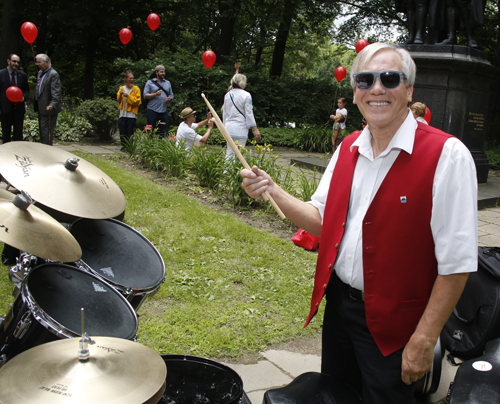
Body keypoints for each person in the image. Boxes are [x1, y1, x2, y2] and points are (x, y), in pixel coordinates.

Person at [240, 42, 477, 403]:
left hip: (399, 324)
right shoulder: (349, 146)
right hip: (340, 307)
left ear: (409, 89)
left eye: (390, 78)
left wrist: (425, 338)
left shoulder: (447, 156)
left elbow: (457, 263)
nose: (377, 88)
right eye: (365, 80)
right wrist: (274, 190)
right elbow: (321, 220)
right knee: (339, 394)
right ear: (355, 94)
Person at [222, 73, 261, 161]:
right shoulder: (246, 95)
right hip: (241, 129)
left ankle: (226, 173)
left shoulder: (227, 95)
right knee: (239, 154)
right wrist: (255, 129)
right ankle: (236, 173)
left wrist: (224, 128)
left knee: (229, 153)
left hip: (228, 128)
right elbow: (249, 113)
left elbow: (225, 113)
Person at [0, 54, 29, 143]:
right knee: (6, 133)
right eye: (14, 61)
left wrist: (23, 97)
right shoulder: (1, 74)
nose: (16, 64)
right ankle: (6, 154)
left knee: (18, 134)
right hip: (5, 109)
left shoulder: (23, 75)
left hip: (18, 110)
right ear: (8, 61)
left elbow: (26, 90)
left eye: (18, 62)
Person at [34, 54, 62, 145]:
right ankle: (43, 149)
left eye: (39, 62)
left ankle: (47, 150)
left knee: (47, 132)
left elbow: (56, 91)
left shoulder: (53, 74)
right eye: (36, 62)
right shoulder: (41, 73)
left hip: (49, 109)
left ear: (47, 62)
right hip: (41, 108)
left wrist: (52, 104)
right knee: (42, 131)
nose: (37, 64)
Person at [144, 65, 174, 139]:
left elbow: (171, 95)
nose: (163, 73)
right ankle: (149, 147)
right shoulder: (150, 82)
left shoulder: (168, 83)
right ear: (156, 72)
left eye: (164, 72)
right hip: (152, 110)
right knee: (150, 131)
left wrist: (169, 98)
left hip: (163, 111)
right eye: (161, 72)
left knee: (162, 131)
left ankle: (160, 148)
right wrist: (155, 94)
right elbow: (145, 95)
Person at [117, 71, 142, 150]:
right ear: (126, 79)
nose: (132, 80)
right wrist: (121, 95)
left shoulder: (136, 89)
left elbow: (137, 101)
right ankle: (123, 145)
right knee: (122, 130)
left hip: (131, 114)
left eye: (133, 78)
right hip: (122, 113)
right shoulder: (121, 88)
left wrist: (128, 96)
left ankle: (129, 146)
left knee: (130, 131)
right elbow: (118, 99)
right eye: (130, 78)